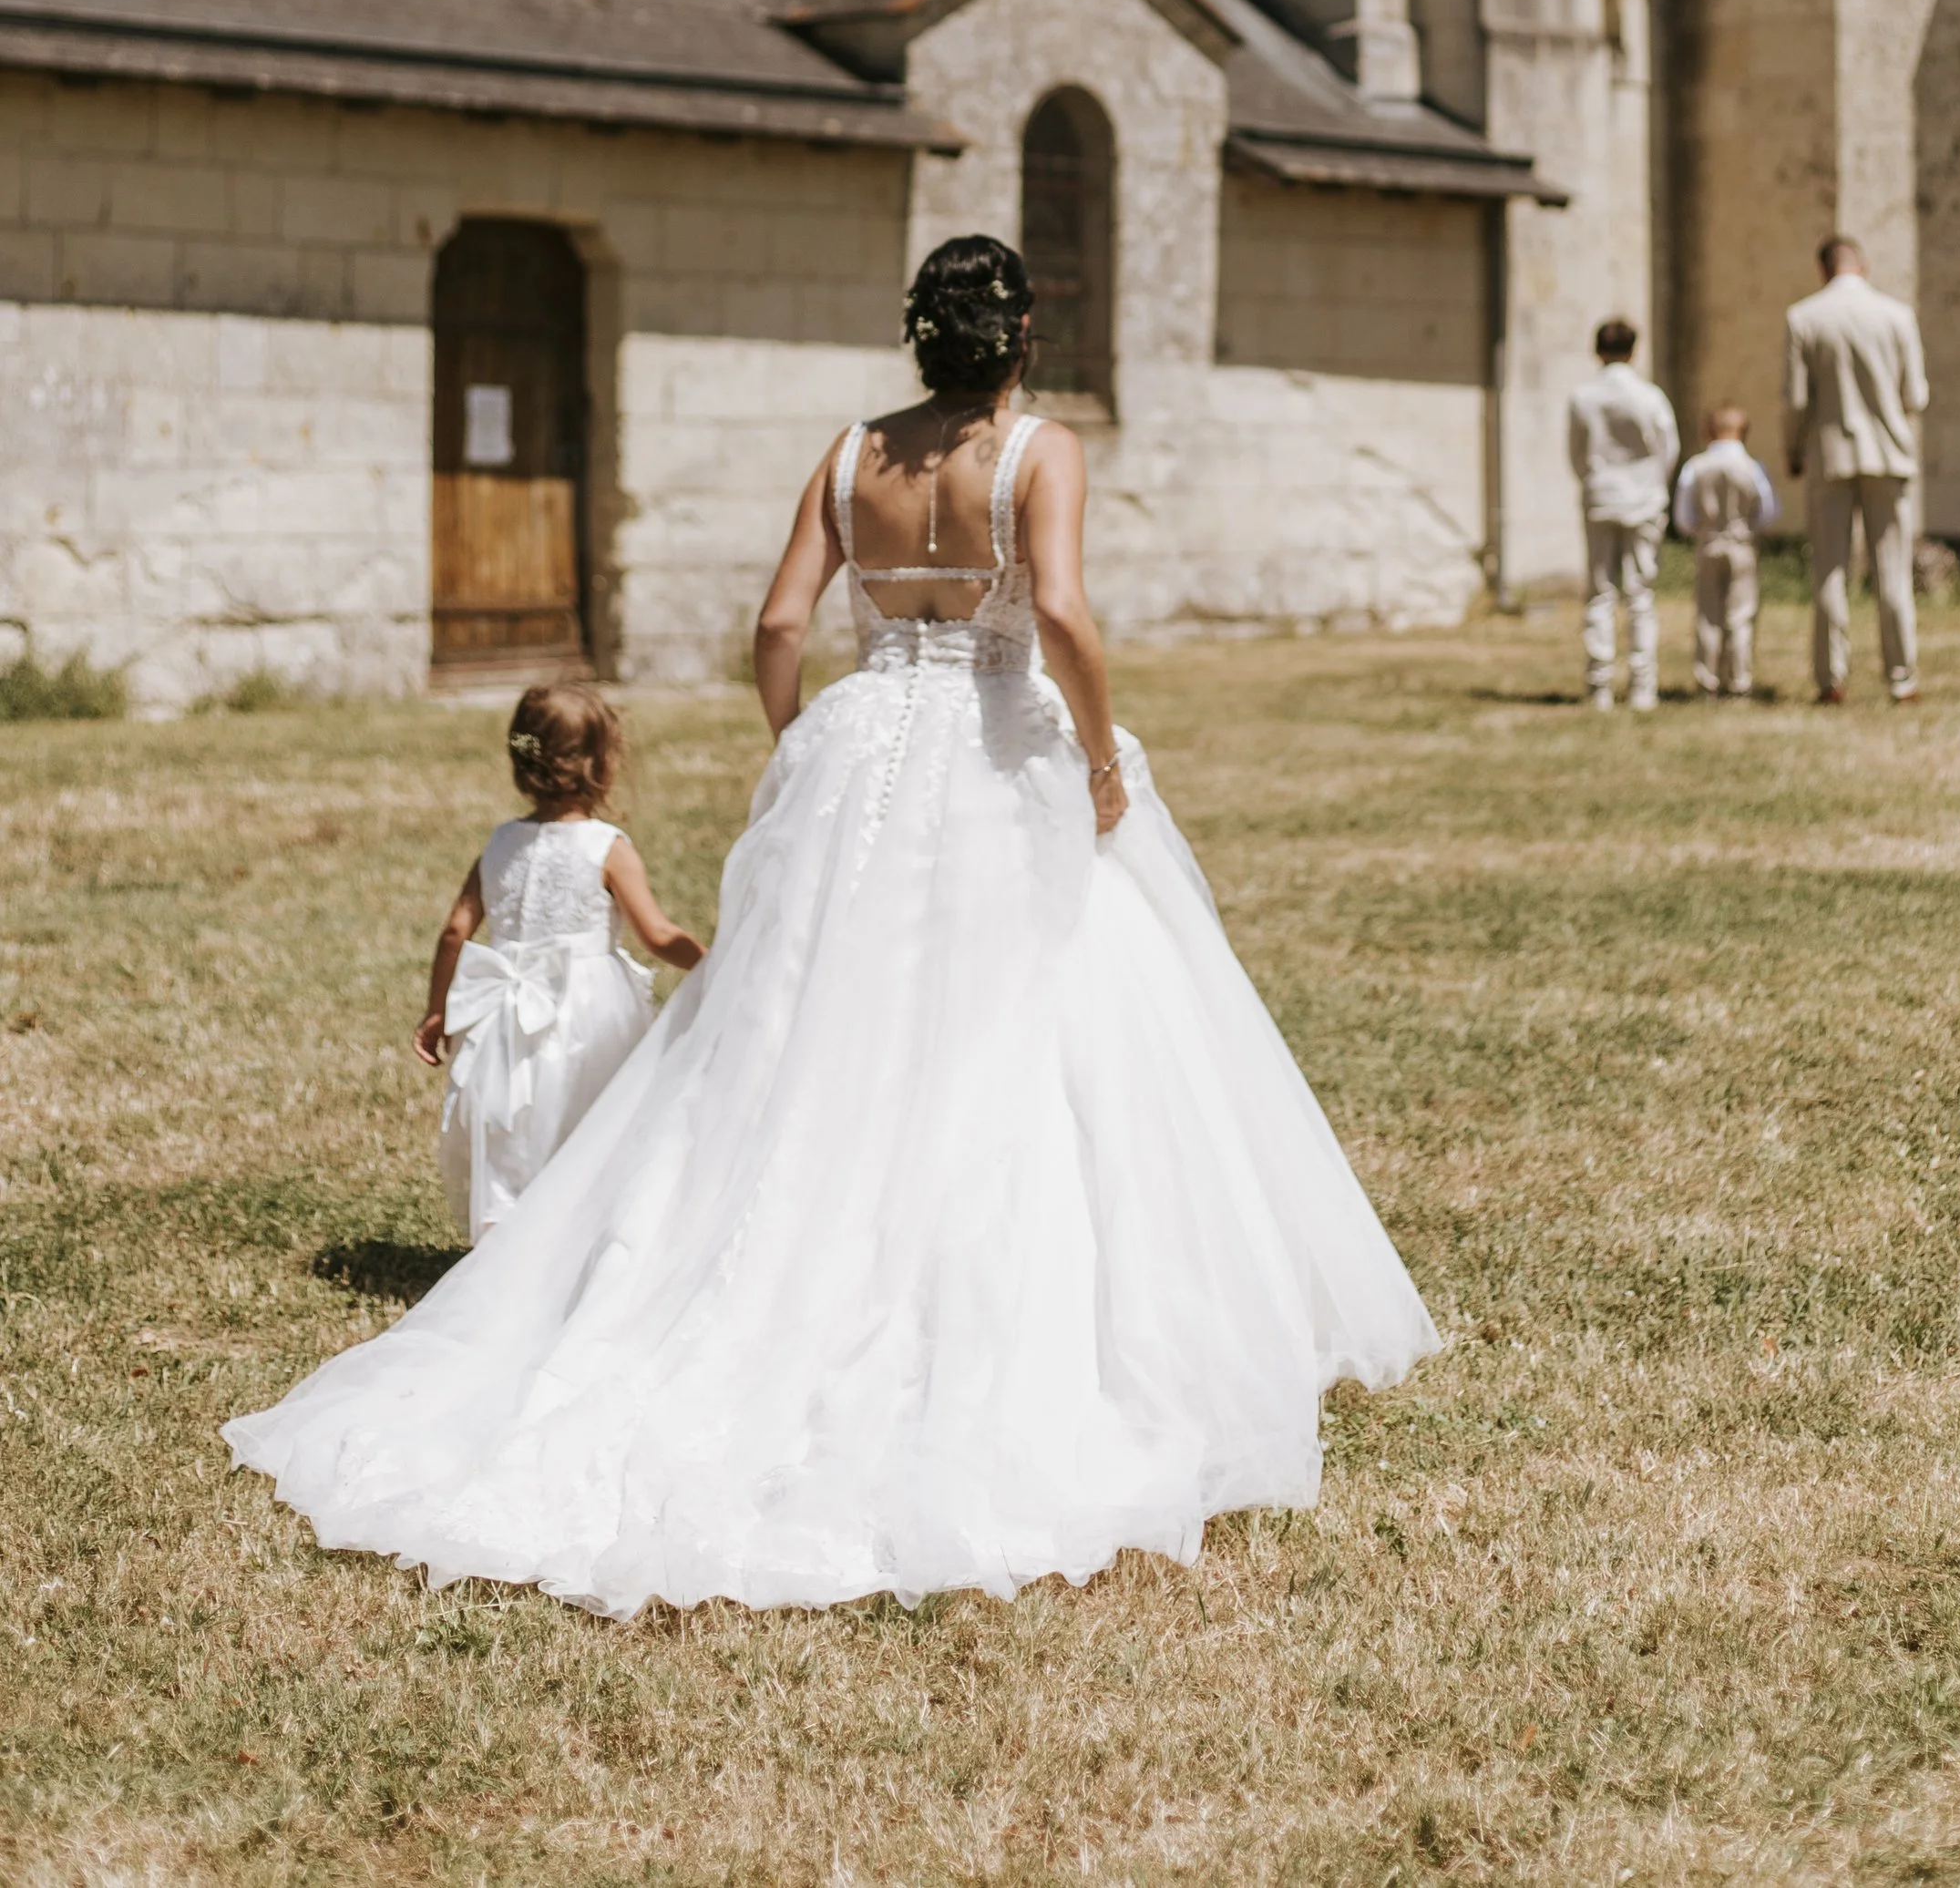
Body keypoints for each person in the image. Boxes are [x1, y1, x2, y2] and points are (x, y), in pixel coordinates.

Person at [225, 235, 1437, 1617]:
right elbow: (1057, 610)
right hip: (994, 738)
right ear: (1023, 333)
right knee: (1028, 1013)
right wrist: (1099, 758)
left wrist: (802, 740)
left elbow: (778, 619)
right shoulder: (1042, 451)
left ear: (920, 334)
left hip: (866, 744)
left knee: (806, 1026)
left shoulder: (851, 448)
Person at [419, 684, 705, 1244]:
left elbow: (456, 931)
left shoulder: (500, 843)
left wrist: (437, 1012)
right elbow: (657, 934)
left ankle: (501, 1248)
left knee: (511, 1129)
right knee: (590, 1122)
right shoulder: (607, 847)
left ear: (522, 759)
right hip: (589, 1015)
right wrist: (715, 961)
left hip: (501, 1015)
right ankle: (583, 1243)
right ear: (602, 764)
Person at [1782, 236, 1930, 703]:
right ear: (1862, 266)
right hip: (1888, 453)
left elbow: (1796, 399)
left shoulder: (1803, 318)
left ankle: (1831, 679)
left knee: (1830, 569)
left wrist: (1794, 448)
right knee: (1892, 570)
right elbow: (1916, 397)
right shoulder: (1897, 316)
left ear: (1822, 270)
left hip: (1831, 454)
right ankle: (1901, 678)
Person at [1566, 317, 1680, 712]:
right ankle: (1642, 687)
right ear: (1634, 351)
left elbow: (1577, 453)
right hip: (1644, 499)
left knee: (1599, 592)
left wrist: (1594, 479)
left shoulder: (1583, 398)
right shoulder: (1650, 397)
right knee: (1640, 594)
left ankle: (1598, 686)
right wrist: (1652, 485)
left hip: (1601, 495)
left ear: (1597, 350)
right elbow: (1669, 448)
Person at [1672, 406, 1779, 700]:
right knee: (1740, 615)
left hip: (1708, 543)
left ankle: (1708, 681)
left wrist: (1700, 530)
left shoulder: (1696, 466)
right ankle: (1739, 680)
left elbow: (1683, 517)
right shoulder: (1752, 467)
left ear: (1708, 430)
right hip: (1742, 544)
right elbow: (1769, 511)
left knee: (1708, 614)